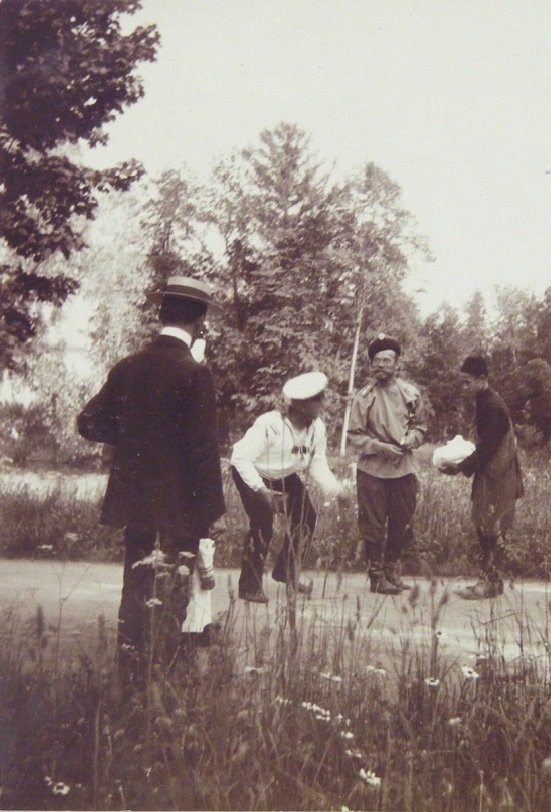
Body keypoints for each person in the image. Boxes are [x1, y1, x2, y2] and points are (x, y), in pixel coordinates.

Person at [77, 276, 225, 687]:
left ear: (161, 314)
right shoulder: (194, 373)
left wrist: (132, 437)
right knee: (173, 591)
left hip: (135, 503)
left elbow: (87, 422)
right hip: (181, 507)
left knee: (136, 586)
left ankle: (129, 676)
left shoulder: (128, 367)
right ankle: (162, 678)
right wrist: (214, 511)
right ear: (199, 321)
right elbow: (202, 450)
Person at [230, 371, 347, 600]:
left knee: (306, 517)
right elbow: (240, 458)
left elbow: (316, 464)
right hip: (252, 473)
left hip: (284, 476)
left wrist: (337, 490)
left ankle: (286, 571)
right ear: (300, 405)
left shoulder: (317, 428)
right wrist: (261, 490)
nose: (323, 403)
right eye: (317, 399)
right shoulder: (270, 424)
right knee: (263, 524)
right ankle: (249, 586)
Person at [348, 334, 427, 594]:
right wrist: (381, 448)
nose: (381, 365)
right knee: (372, 524)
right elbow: (355, 436)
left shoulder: (410, 394)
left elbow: (420, 427)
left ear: (397, 364)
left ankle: (391, 569)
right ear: (371, 365)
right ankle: (376, 576)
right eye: (376, 361)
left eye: (386, 360)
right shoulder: (364, 397)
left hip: (404, 469)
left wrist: (411, 440)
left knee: (402, 522)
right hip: (372, 471)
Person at [445, 355, 524, 599]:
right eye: (462, 382)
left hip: (498, 476)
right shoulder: (483, 401)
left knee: (490, 528)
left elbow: (488, 448)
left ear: (482, 379)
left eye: (467, 382)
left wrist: (460, 467)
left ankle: (488, 583)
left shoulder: (492, 406)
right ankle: (493, 582)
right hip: (493, 474)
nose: (464, 387)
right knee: (485, 526)